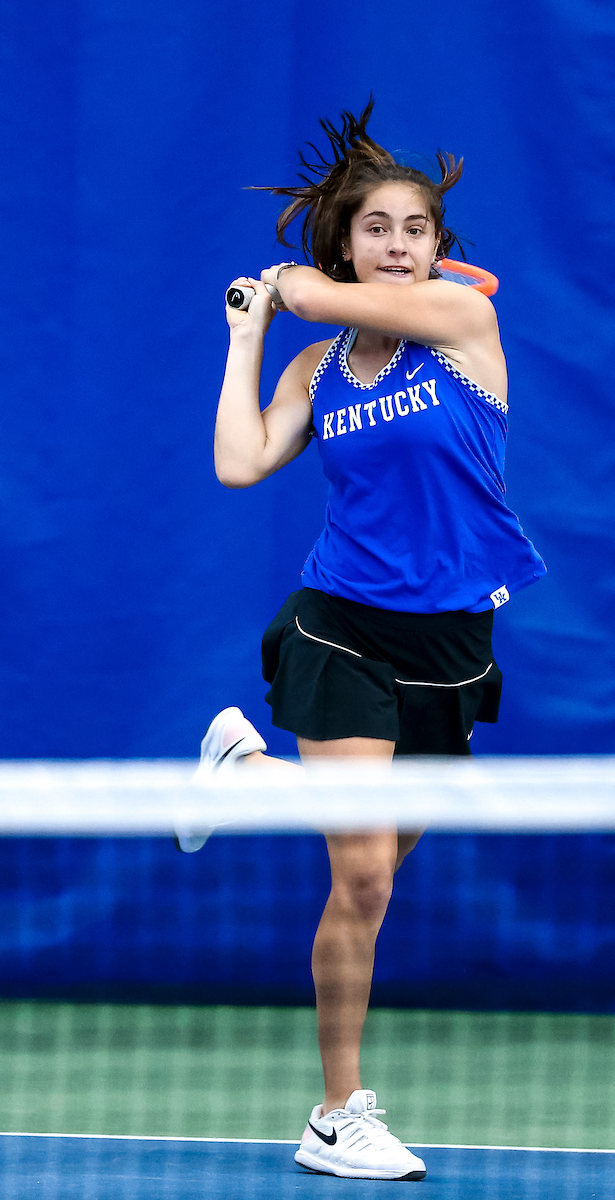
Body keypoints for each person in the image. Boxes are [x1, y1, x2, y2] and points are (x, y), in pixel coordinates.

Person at [178, 100, 546, 1181]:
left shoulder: (459, 328)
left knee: (369, 876)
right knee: (366, 879)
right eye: (375, 228)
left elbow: (305, 290)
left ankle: (239, 775)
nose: (396, 244)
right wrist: (250, 340)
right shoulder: (318, 374)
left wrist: (289, 289)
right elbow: (239, 462)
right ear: (348, 240)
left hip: (453, 648)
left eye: (414, 230)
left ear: (437, 252)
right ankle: (340, 1111)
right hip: (338, 626)